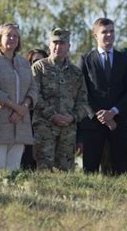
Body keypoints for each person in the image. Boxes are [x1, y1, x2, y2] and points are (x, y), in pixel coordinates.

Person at [77, 17, 127, 175]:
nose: (109, 35)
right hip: (93, 123)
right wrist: (100, 115)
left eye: (111, 31)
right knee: (90, 170)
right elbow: (82, 92)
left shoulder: (125, 60)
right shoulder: (85, 60)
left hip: (119, 122)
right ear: (95, 35)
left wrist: (113, 112)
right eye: (104, 32)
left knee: (121, 169)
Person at [0, 23, 38, 175]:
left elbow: (33, 88)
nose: (12, 38)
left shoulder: (24, 63)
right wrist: (16, 107)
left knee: (14, 169)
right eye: (8, 35)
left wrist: (24, 107)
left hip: (21, 122)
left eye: (15, 36)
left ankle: (14, 197)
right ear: (0, 38)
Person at [31, 28, 88, 171]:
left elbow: (83, 101)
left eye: (62, 43)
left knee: (65, 172)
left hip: (68, 129)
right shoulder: (39, 67)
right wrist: (53, 115)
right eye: (54, 42)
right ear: (49, 45)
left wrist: (72, 117)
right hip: (44, 127)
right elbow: (34, 95)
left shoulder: (76, 73)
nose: (58, 46)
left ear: (69, 46)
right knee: (44, 171)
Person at [21, 48, 48, 170]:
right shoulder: (22, 79)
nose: (38, 64)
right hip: (27, 123)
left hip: (47, 125)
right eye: (35, 61)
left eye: (42, 60)